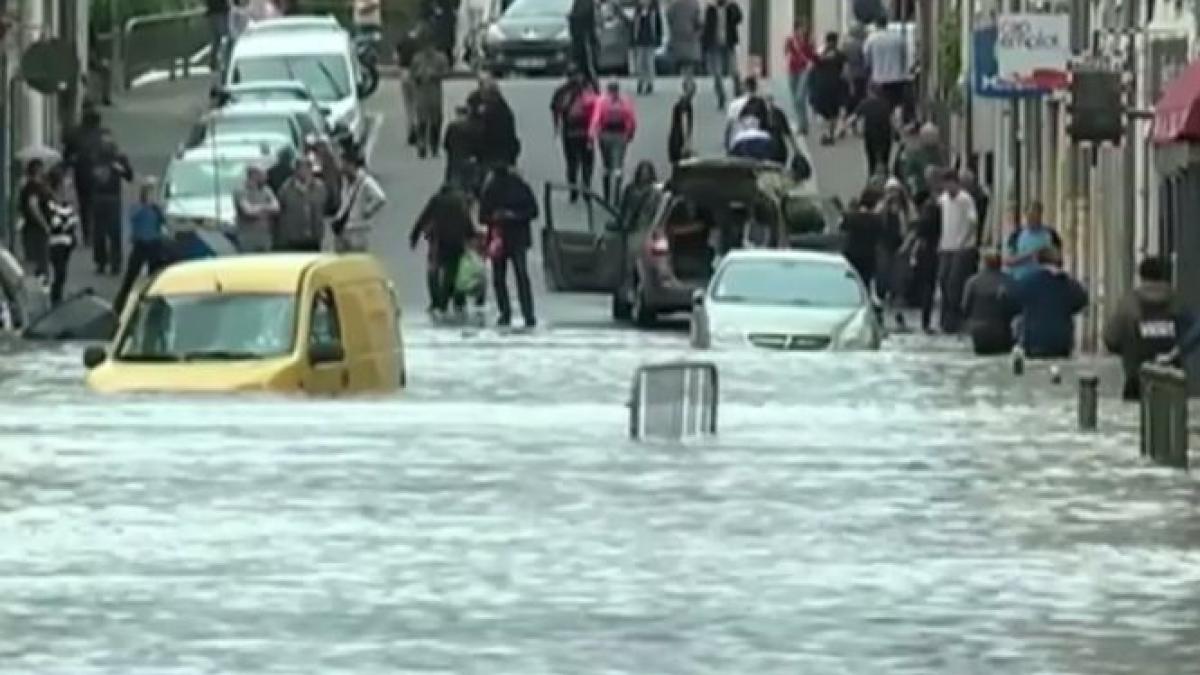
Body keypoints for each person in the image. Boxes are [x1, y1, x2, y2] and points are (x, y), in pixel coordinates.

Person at [1104, 257, 1192, 400]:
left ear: (1141, 276)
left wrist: (1127, 350)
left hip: (1137, 379)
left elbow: (1111, 338)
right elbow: (1190, 335)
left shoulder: (1129, 303)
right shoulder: (1177, 302)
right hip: (1172, 379)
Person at [479, 165, 539, 328]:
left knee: (499, 278)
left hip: (499, 238)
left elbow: (482, 217)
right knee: (521, 276)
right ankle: (528, 314)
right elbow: (534, 211)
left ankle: (505, 313)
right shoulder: (522, 187)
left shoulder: (490, 190)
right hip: (518, 239)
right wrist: (516, 216)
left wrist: (496, 217)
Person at [411, 183, 478, 317]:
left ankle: (436, 301)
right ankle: (453, 300)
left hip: (438, 241)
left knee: (433, 271)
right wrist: (472, 237)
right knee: (452, 273)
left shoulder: (437, 199)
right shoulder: (460, 201)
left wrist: (414, 236)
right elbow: (467, 220)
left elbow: (424, 217)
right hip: (456, 242)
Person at [1011, 247, 1088, 359]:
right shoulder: (1068, 283)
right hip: (1061, 342)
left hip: (1034, 341)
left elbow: (1015, 302)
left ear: (1038, 261)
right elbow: (1081, 301)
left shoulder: (1027, 281)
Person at [114, 178, 168, 313]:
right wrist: (146, 206)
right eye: (149, 192)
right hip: (141, 245)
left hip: (155, 244)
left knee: (155, 276)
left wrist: (157, 208)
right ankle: (119, 306)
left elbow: (163, 222)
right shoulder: (137, 207)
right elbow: (133, 217)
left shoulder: (156, 209)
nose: (152, 195)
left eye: (154, 191)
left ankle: (156, 304)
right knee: (131, 275)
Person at [936, 170, 978, 334]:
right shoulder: (944, 199)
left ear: (956, 183)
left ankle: (955, 318)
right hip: (946, 247)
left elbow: (972, 221)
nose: (947, 187)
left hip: (961, 248)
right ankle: (945, 318)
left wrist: (964, 240)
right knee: (943, 281)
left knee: (955, 283)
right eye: (945, 184)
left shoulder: (965, 199)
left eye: (949, 183)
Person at [550, 66, 599, 201]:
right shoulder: (588, 90)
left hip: (570, 132)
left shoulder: (561, 91)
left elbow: (555, 110)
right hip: (586, 132)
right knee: (587, 162)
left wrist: (556, 127)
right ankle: (586, 187)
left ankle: (574, 191)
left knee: (572, 163)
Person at [90, 134, 134, 276]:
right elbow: (87, 176)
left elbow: (129, 176)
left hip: (112, 196)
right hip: (99, 196)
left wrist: (120, 169)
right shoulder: (95, 157)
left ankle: (115, 263)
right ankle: (101, 262)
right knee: (99, 233)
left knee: (114, 232)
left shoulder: (119, 158)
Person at [907, 167, 943, 332]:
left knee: (928, 286)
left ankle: (927, 321)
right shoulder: (931, 203)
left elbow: (922, 228)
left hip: (932, 249)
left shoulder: (932, 204)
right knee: (929, 286)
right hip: (933, 249)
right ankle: (927, 321)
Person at [62, 107, 105, 246]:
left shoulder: (76, 134)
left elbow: (67, 155)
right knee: (97, 204)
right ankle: (96, 233)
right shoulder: (102, 135)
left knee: (84, 204)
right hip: (99, 175)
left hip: (81, 174)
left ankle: (88, 234)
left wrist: (67, 168)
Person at [962, 250, 1017, 355]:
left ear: (983, 263)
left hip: (979, 334)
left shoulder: (972, 282)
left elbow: (965, 308)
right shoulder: (1009, 281)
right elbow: (1016, 307)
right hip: (1002, 333)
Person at [589, 80, 637, 202]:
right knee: (618, 165)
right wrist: (630, 134)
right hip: (620, 135)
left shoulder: (602, 101)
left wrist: (592, 135)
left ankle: (607, 195)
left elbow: (596, 118)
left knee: (607, 165)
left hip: (605, 135)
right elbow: (631, 119)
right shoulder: (625, 102)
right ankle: (616, 195)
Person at [863, 15, 914, 127]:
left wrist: (869, 72)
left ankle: (886, 126)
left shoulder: (872, 39)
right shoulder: (898, 38)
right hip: (897, 78)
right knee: (896, 104)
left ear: (876, 25)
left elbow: (867, 59)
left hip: (880, 78)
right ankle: (896, 124)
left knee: (882, 106)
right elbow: (904, 57)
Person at [332, 153, 388, 253]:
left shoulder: (366, 181)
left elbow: (380, 198)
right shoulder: (345, 181)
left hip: (358, 230)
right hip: (343, 227)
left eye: (344, 164)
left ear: (352, 165)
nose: (342, 167)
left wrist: (367, 211)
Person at [275, 157, 328, 252]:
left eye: (307, 169)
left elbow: (323, 205)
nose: (304, 172)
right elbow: (280, 207)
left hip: (314, 235)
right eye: (301, 168)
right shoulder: (286, 188)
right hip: (293, 237)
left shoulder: (319, 187)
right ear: (296, 170)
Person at [44, 166, 80, 305]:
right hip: (56, 242)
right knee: (60, 271)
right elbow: (56, 223)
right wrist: (67, 222)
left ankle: (57, 294)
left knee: (62, 271)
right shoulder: (50, 202)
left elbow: (71, 218)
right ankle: (55, 297)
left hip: (66, 242)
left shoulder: (66, 202)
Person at [470, 75, 521, 172]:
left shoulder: (491, 112)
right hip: (503, 153)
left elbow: (483, 134)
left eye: (484, 94)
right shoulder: (503, 108)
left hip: (493, 155)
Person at [411, 38, 450, 159]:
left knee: (436, 121)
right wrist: (418, 76)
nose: (428, 50)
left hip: (435, 93)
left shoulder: (440, 58)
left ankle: (434, 146)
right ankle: (421, 145)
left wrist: (435, 75)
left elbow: (446, 72)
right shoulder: (417, 58)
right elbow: (412, 74)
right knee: (422, 120)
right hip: (421, 92)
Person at [875, 176, 912, 305]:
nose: (893, 194)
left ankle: (898, 295)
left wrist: (906, 244)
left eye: (895, 190)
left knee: (900, 273)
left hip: (901, 244)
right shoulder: (882, 206)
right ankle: (882, 294)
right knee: (883, 271)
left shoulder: (906, 207)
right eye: (890, 191)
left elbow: (911, 226)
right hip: (884, 244)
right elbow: (876, 218)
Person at [1005, 200, 1061, 281]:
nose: (1033, 219)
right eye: (1030, 216)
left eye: (1036, 215)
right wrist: (1030, 255)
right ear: (1026, 215)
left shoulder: (1051, 234)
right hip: (1021, 281)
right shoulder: (1016, 235)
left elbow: (1059, 260)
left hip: (1044, 282)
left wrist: (1045, 256)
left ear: (1041, 215)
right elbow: (1008, 261)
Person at [702, 0, 742, 109]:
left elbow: (739, 18)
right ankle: (721, 96)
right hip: (714, 45)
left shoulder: (731, 7)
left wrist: (733, 7)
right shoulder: (711, 10)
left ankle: (738, 92)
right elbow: (707, 28)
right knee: (717, 73)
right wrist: (705, 46)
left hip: (729, 43)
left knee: (734, 70)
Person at [809, 32, 848, 145]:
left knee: (822, 111)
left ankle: (825, 134)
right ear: (836, 41)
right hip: (835, 86)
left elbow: (812, 69)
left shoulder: (820, 54)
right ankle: (829, 134)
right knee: (833, 113)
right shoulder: (841, 55)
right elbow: (845, 72)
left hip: (821, 86)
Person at [233, 164, 280, 253]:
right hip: (248, 238)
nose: (267, 177)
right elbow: (249, 211)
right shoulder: (241, 191)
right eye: (263, 174)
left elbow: (276, 208)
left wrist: (258, 208)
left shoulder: (266, 190)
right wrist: (266, 208)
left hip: (265, 237)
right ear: (254, 175)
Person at [18, 159, 51, 282]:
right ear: (37, 170)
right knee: (39, 261)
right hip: (35, 229)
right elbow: (33, 206)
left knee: (35, 261)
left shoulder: (33, 185)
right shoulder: (33, 186)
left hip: (31, 228)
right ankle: (39, 288)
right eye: (42, 168)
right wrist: (44, 224)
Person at [841, 194, 882, 291]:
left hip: (852, 254)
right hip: (868, 256)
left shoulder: (852, 217)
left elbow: (842, 227)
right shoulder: (877, 220)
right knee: (865, 283)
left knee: (851, 280)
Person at [784, 20, 817, 135]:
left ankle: (802, 124)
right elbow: (786, 52)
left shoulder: (809, 41)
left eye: (804, 28)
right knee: (795, 100)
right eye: (801, 28)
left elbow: (813, 55)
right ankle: (802, 124)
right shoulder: (790, 40)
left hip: (804, 69)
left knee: (800, 97)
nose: (803, 30)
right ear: (796, 28)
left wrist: (811, 63)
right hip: (792, 69)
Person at [856, 83, 894, 176]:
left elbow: (854, 117)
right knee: (885, 159)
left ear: (869, 91)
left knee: (871, 160)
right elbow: (892, 119)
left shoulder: (865, 103)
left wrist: (840, 129)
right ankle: (886, 177)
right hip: (885, 135)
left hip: (870, 135)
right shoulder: (886, 103)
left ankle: (871, 177)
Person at [898, 123, 943, 199]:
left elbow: (941, 169)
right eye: (929, 136)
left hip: (936, 190)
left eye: (933, 135)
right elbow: (909, 174)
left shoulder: (937, 153)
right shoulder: (915, 153)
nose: (932, 138)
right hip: (920, 191)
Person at [443, 105, 481, 193]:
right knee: (470, 186)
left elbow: (446, 144)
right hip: (470, 160)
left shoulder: (452, 127)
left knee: (455, 186)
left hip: (455, 161)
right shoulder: (473, 127)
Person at [631, 0, 663, 95]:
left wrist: (658, 38)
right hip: (640, 40)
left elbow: (658, 26)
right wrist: (633, 39)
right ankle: (640, 81)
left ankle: (649, 83)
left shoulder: (654, 11)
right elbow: (634, 27)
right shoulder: (638, 11)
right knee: (640, 62)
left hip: (650, 40)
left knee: (649, 62)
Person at [396, 27, 421, 147]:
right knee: (417, 103)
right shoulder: (418, 45)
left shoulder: (402, 41)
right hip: (415, 73)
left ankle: (410, 130)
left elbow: (396, 57)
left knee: (408, 105)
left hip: (404, 73)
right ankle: (416, 128)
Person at [666, 0, 703, 77]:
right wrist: (698, 33)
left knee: (682, 61)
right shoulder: (695, 4)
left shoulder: (673, 6)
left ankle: (685, 78)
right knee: (689, 62)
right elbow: (699, 22)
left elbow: (670, 21)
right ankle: (689, 79)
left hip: (678, 38)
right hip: (691, 37)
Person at [842, 23, 869, 128]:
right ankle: (856, 121)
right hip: (860, 75)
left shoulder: (846, 44)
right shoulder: (863, 45)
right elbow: (865, 61)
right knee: (860, 98)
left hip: (847, 74)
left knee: (850, 100)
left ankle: (848, 121)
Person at [569, 0, 599, 85]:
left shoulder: (585, 3)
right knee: (582, 65)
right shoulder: (580, 3)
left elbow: (586, 18)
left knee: (587, 65)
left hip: (584, 38)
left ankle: (592, 86)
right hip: (581, 39)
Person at [668, 76, 696, 166]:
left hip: (677, 141)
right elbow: (684, 125)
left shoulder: (685, 103)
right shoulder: (684, 105)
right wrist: (686, 145)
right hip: (678, 143)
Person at [620, 161, 657, 227]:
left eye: (645, 173)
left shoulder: (653, 192)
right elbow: (625, 208)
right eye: (641, 172)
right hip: (626, 225)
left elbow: (649, 212)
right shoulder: (630, 188)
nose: (643, 175)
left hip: (645, 227)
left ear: (650, 174)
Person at [206, 0, 231, 71]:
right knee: (224, 37)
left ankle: (213, 61)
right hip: (220, 12)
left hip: (215, 12)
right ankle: (224, 60)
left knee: (216, 39)